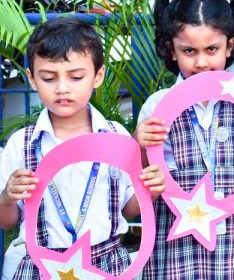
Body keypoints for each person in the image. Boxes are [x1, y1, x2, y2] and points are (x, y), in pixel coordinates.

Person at [134, 0, 234, 280]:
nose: (202, 62)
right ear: (172, 49)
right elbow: (142, 178)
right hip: (174, 242)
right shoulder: (157, 105)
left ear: (229, 46)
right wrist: (140, 143)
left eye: (211, 49)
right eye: (189, 51)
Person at [0, 17, 165, 280]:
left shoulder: (116, 136)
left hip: (108, 264)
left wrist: (149, 190)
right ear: (32, 79)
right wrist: (8, 197)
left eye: (76, 77)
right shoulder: (22, 143)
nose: (62, 88)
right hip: (41, 267)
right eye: (48, 78)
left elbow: (127, 209)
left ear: (98, 76)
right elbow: (6, 221)